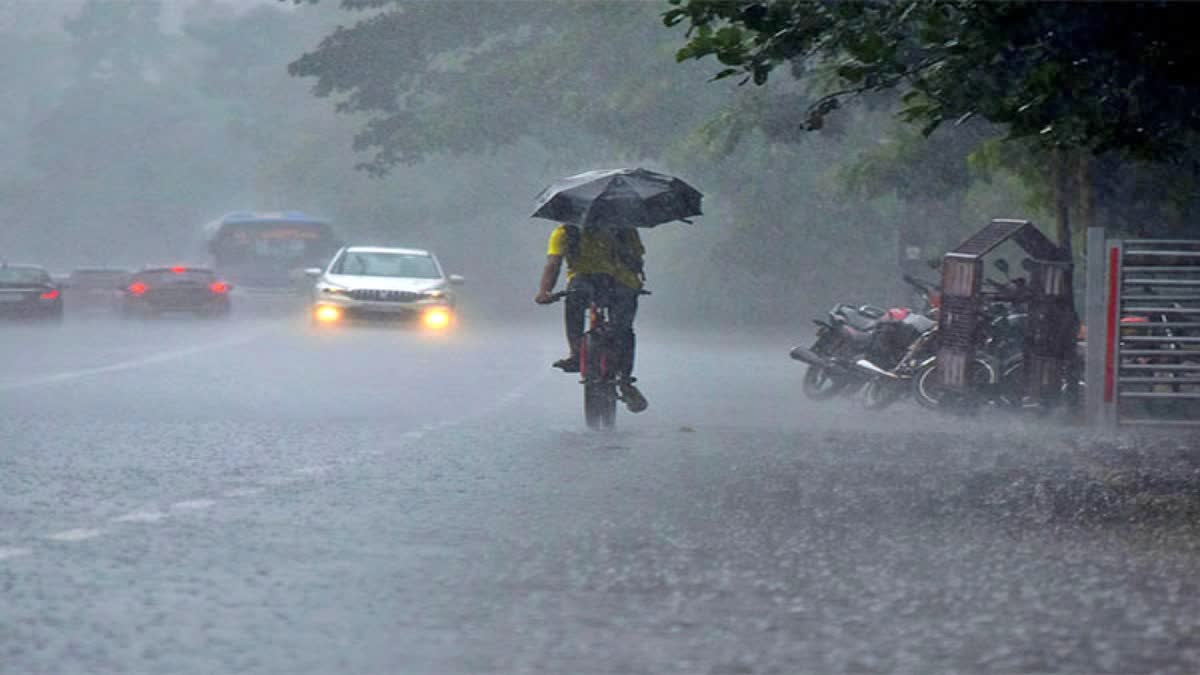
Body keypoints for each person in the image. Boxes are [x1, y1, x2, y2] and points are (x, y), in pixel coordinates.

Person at [534, 223, 648, 412]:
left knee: (574, 303)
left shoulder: (565, 231)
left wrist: (544, 292)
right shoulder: (625, 228)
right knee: (623, 329)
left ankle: (576, 353)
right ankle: (625, 380)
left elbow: (553, 264)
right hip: (621, 284)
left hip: (583, 283)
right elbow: (637, 260)